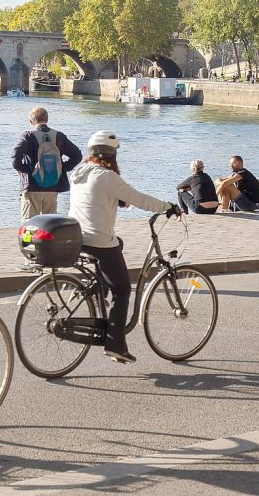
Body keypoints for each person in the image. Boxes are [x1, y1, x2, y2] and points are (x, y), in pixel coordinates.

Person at [68, 131, 179, 364]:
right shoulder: (107, 176)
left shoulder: (79, 173)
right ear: (112, 154)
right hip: (99, 241)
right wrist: (167, 206)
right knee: (123, 289)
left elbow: (94, 199)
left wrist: (115, 199)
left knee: (118, 244)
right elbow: (140, 199)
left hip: (79, 238)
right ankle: (115, 344)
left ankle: (100, 290)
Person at [12, 107, 83, 221]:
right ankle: (48, 239)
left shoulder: (28, 136)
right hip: (53, 185)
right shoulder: (59, 136)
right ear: (47, 119)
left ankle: (30, 240)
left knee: (29, 224)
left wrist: (25, 170)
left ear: (31, 121)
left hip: (32, 186)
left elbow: (15, 158)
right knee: (50, 223)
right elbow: (77, 155)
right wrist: (62, 168)